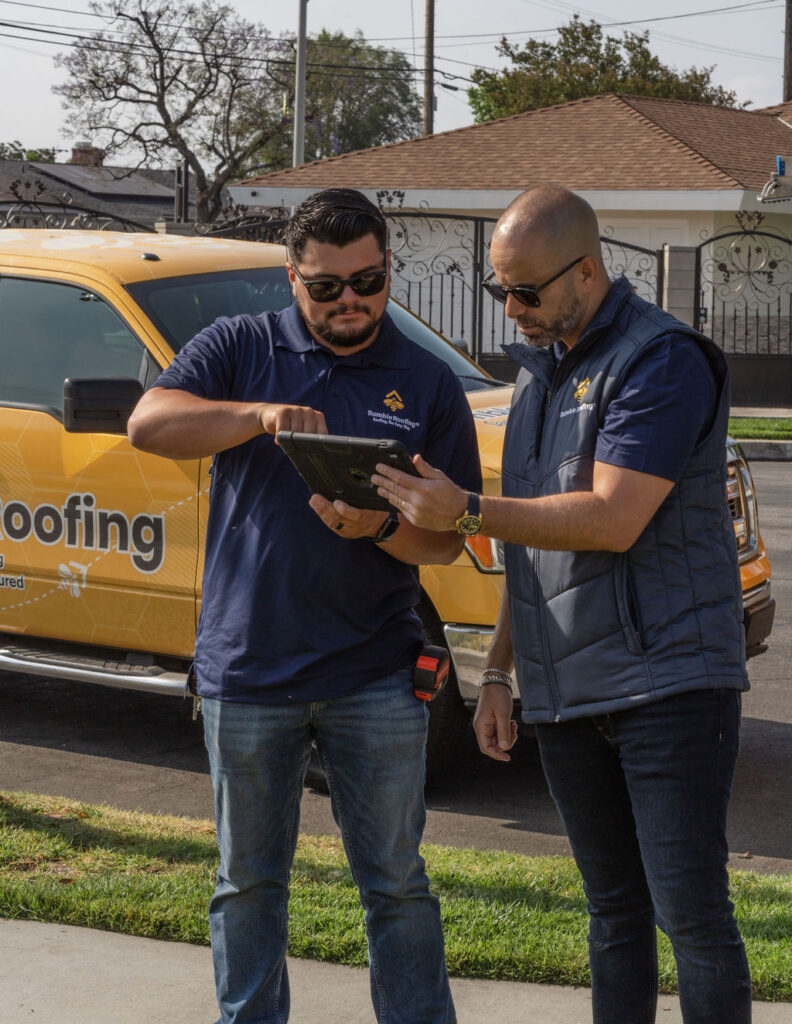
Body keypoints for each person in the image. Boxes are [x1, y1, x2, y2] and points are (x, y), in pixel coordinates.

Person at [372, 185, 752, 1024]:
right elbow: (535, 542)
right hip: (568, 694)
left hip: (668, 685)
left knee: (691, 916)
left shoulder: (662, 360)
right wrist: (498, 673)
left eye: (525, 292)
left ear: (586, 272)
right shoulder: (540, 375)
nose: (511, 311)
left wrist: (465, 510)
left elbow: (612, 519)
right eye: (498, 290)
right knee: (613, 916)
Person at [127, 187, 482, 1024]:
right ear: (293, 279)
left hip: (376, 675)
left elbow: (445, 541)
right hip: (249, 669)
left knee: (396, 883)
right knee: (248, 884)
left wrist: (379, 527)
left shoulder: (427, 381)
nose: (349, 301)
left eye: (368, 281)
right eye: (326, 287)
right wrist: (256, 416)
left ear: (389, 270)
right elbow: (149, 423)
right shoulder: (240, 345)